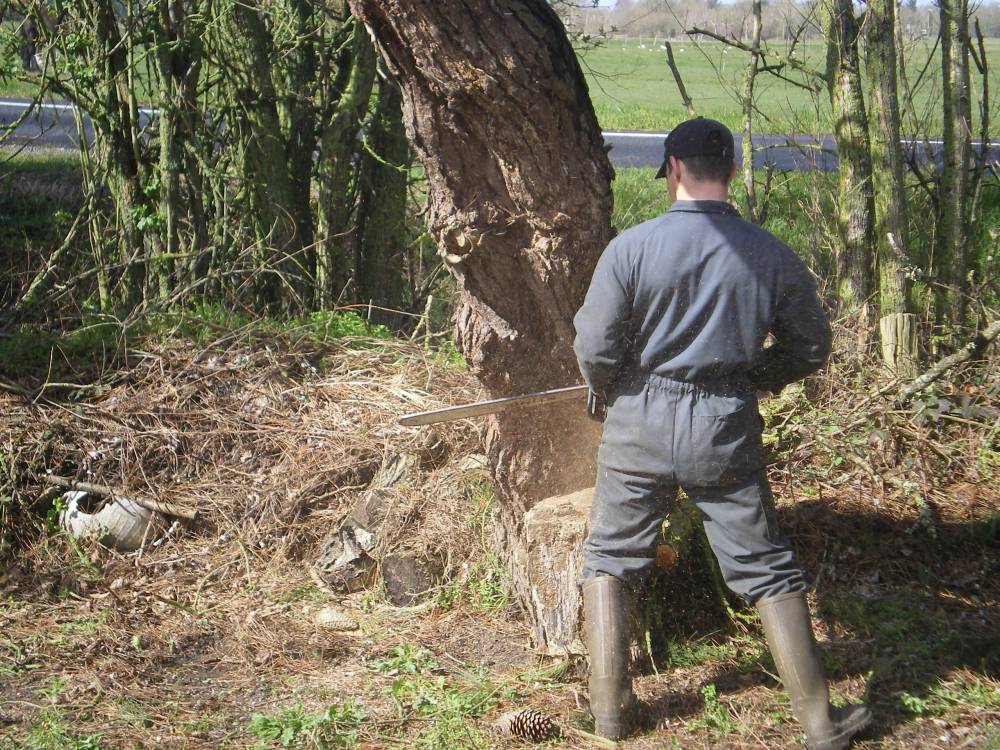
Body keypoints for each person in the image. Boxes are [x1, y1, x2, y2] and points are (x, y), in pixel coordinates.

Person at [572, 117, 872, 749]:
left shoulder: (631, 247)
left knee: (609, 557)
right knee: (764, 566)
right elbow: (810, 345)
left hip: (638, 421)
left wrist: (612, 386)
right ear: (731, 172)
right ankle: (820, 725)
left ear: (673, 170)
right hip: (723, 422)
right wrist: (757, 375)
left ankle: (609, 715)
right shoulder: (768, 253)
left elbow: (595, 345)